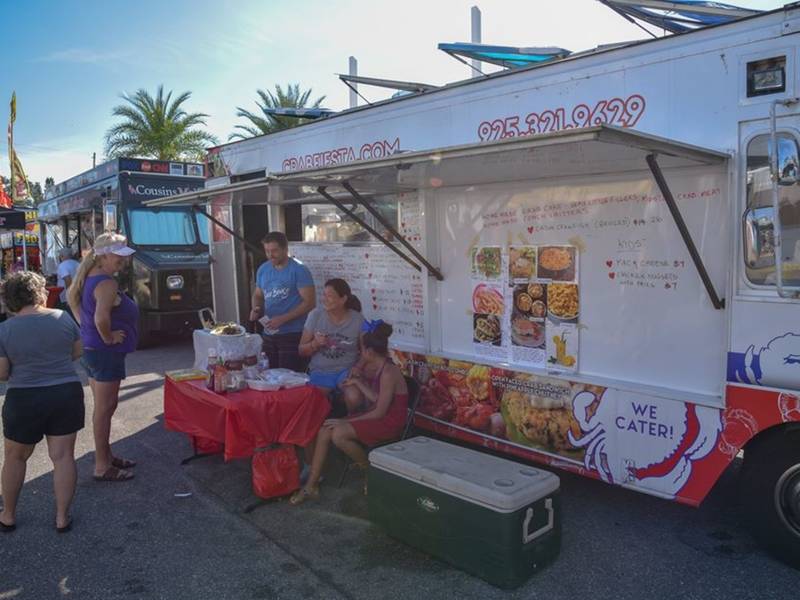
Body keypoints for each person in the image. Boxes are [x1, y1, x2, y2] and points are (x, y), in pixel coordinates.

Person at [0, 271, 84, 533]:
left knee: (15, 457)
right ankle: (61, 517)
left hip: (23, 397)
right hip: (65, 392)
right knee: (63, 457)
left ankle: (9, 515)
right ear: (39, 293)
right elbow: (78, 351)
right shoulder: (63, 318)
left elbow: (2, 373)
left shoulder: (4, 329)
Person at [290, 321, 408, 505]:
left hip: (388, 421)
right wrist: (359, 383)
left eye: (361, 350)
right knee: (325, 429)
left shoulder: (388, 372)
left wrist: (345, 421)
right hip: (376, 413)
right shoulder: (379, 366)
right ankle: (311, 485)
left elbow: (380, 412)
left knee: (338, 434)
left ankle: (369, 471)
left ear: (368, 352)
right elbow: (377, 399)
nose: (360, 355)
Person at [67, 232, 138, 482]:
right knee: (105, 409)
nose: (123, 261)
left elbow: (75, 303)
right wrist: (107, 337)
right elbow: (100, 318)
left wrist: (89, 331)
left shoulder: (90, 277)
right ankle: (101, 465)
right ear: (104, 255)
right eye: (118, 256)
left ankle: (106, 455)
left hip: (93, 351)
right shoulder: (106, 283)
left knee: (103, 408)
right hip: (105, 352)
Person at [249, 231, 315, 371]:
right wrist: (256, 309)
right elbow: (258, 295)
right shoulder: (263, 269)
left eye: (274, 251)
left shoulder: (299, 270)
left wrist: (283, 319)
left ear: (285, 249)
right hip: (269, 333)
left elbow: (310, 302)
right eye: (267, 251)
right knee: (269, 376)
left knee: (289, 379)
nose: (270, 255)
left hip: (293, 334)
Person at [299, 278, 365, 394]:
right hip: (320, 371)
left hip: (346, 371)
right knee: (315, 399)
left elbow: (366, 351)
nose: (324, 300)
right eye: (324, 295)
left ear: (343, 299)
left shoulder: (358, 319)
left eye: (329, 296)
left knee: (354, 396)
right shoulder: (315, 315)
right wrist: (315, 344)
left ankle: (353, 413)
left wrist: (358, 367)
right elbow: (301, 350)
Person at [56, 248, 79, 312]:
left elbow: (67, 279)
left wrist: (70, 295)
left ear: (62, 256)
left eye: (60, 255)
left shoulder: (62, 265)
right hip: (79, 294)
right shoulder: (77, 264)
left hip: (66, 298)